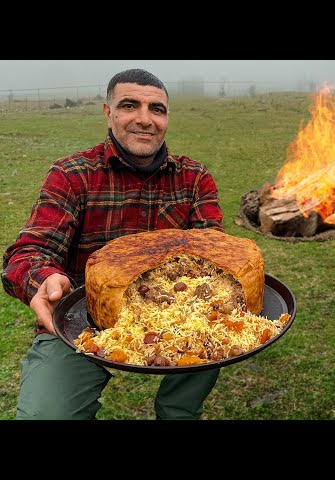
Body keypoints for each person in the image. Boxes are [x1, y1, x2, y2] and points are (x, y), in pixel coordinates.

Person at [2, 68, 225, 420]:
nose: (144, 119)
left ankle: (179, 410)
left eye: (157, 109)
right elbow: (30, 250)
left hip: (178, 315)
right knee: (48, 413)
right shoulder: (71, 174)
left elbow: (213, 252)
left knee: (211, 340)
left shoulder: (194, 178)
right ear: (108, 113)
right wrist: (41, 278)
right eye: (129, 105)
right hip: (83, 319)